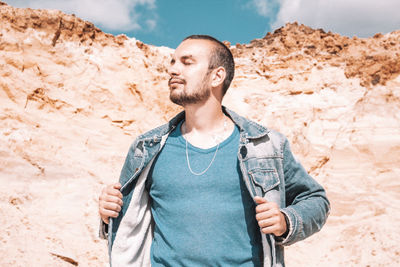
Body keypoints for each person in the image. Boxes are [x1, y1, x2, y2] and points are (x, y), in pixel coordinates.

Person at [98, 35, 330, 267]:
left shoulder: (265, 145)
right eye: (173, 62)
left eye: (187, 62)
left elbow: (315, 200)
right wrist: (108, 212)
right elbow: (124, 220)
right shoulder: (147, 147)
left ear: (217, 76)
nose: (173, 70)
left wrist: (285, 222)